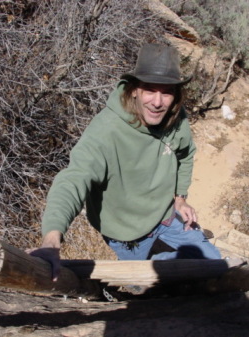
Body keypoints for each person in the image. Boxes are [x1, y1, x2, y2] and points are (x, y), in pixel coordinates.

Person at [29, 43, 221, 281]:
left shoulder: (176, 118)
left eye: (167, 92)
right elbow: (74, 178)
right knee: (143, 288)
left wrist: (180, 198)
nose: (158, 102)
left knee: (217, 266)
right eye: (150, 90)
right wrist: (51, 238)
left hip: (165, 215)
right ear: (134, 90)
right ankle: (152, 268)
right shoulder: (107, 130)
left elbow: (186, 153)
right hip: (125, 230)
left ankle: (162, 266)